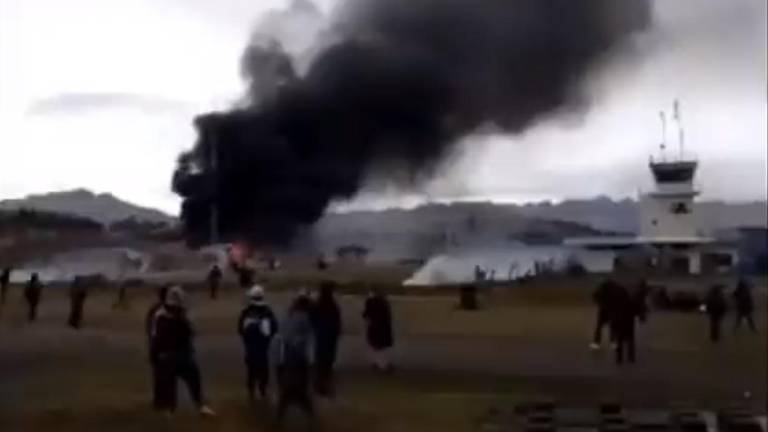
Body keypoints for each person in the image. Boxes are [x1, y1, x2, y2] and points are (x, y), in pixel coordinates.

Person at [150, 285, 215, 417]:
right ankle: (198, 405)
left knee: (178, 381)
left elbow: (155, 337)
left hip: (172, 356)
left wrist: (154, 356)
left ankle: (172, 409)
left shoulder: (161, 315)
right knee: (191, 380)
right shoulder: (179, 316)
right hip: (179, 355)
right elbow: (192, 332)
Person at [276, 293, 315, 423]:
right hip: (297, 359)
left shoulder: (289, 316)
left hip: (286, 359)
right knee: (298, 390)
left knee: (289, 390)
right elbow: (308, 342)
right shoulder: (305, 319)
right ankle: (309, 416)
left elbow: (282, 337)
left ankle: (281, 416)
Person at [238, 284, 278, 402]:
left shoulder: (246, 311)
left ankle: (251, 392)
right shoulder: (267, 311)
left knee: (251, 371)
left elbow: (240, 329)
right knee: (263, 370)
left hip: (250, 347)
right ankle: (262, 391)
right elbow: (274, 327)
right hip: (263, 347)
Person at [311, 281, 342, 397]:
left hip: (321, 334)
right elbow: (337, 321)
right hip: (330, 335)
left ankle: (319, 383)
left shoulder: (317, 304)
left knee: (320, 359)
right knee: (328, 360)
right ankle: (324, 383)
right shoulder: (333, 306)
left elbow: (312, 317)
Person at [146, 285, 169, 410]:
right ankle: (164, 399)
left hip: (156, 345)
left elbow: (149, 328)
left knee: (159, 374)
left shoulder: (154, 309)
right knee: (165, 374)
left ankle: (159, 399)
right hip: (164, 346)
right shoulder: (170, 310)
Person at [363, 288, 394, 372]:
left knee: (376, 346)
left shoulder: (370, 302)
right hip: (382, 328)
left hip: (374, 327)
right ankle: (382, 365)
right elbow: (387, 317)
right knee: (381, 347)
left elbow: (365, 315)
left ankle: (379, 364)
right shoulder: (384, 303)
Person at [611, 283, 638, 365]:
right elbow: (634, 311)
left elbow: (614, 314)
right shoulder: (630, 301)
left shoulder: (616, 303)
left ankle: (619, 358)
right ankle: (631, 357)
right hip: (629, 323)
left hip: (620, 323)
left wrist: (613, 325)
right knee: (630, 340)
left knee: (619, 341)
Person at [590, 279, 618, 350]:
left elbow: (594, 296)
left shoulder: (602, 289)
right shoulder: (614, 290)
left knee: (599, 327)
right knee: (612, 327)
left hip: (604, 310)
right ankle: (613, 342)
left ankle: (597, 343)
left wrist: (600, 303)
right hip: (611, 310)